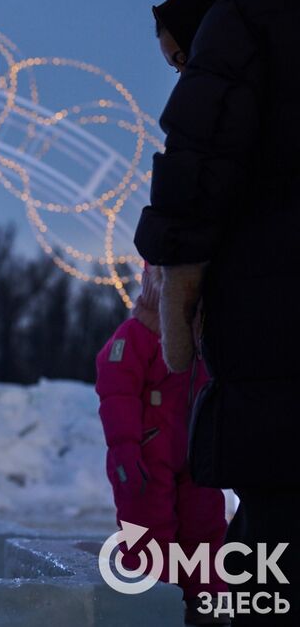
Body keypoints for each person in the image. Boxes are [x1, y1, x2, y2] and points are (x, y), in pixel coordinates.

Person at [135, 0, 300, 624]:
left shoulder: (253, 21)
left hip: (273, 339)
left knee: (269, 550)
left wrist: (181, 286)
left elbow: (196, 170)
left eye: (184, 61)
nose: (183, 76)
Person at [96, 265, 228, 625]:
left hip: (195, 456)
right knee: (149, 530)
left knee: (205, 524)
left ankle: (206, 601)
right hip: (146, 457)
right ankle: (152, 605)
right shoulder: (136, 336)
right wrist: (125, 447)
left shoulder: (203, 340)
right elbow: (116, 391)